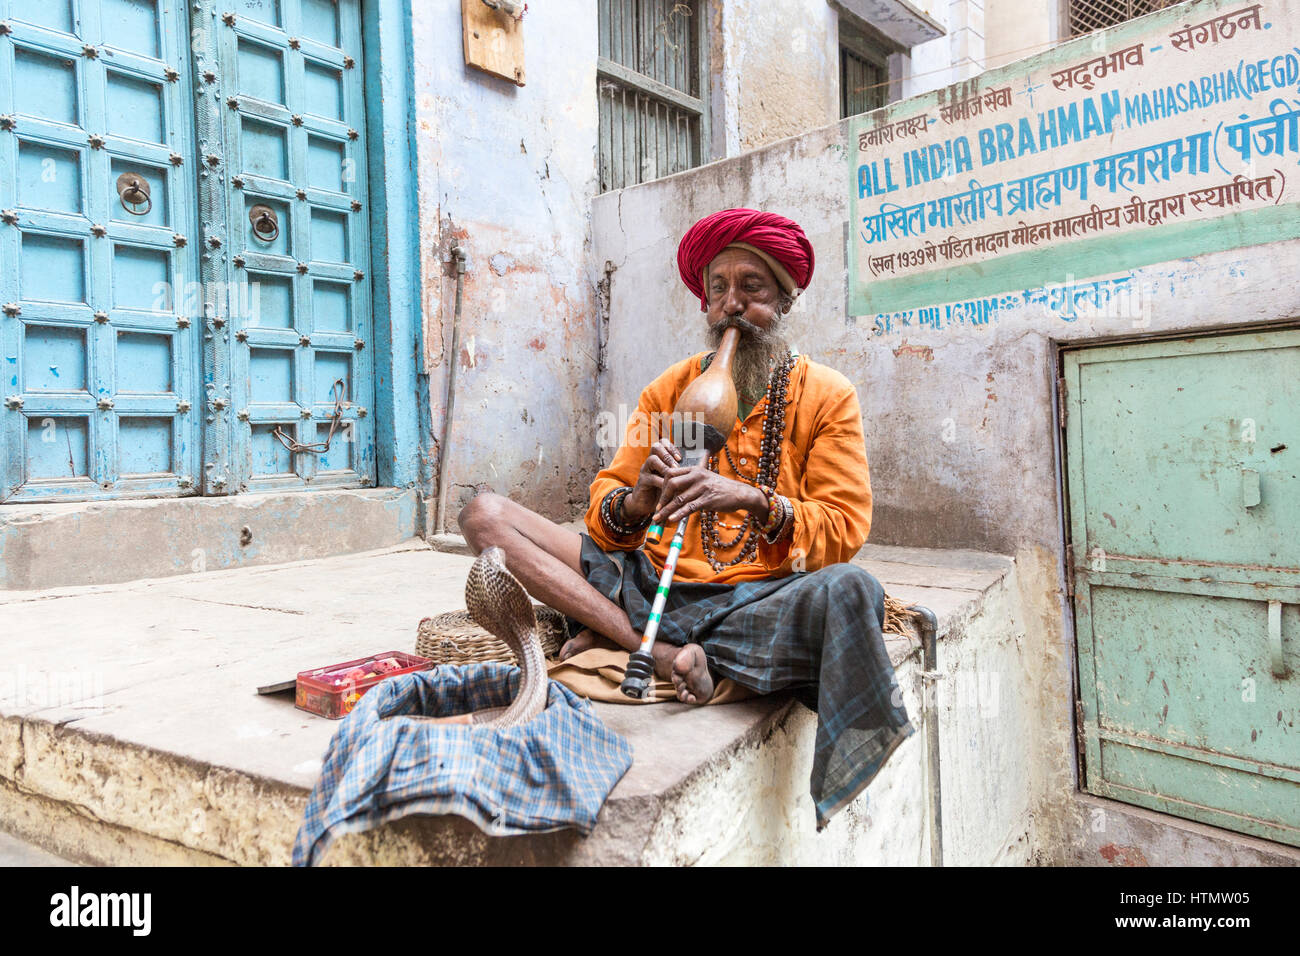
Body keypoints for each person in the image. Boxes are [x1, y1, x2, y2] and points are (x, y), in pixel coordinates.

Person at [459, 208, 912, 827]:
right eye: (717, 289)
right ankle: (666, 656)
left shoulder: (827, 395)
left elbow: (843, 528)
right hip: (648, 579)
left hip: (753, 600)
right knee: (486, 517)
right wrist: (639, 501)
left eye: (751, 289)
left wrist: (754, 500)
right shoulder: (669, 390)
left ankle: (639, 641)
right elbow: (603, 514)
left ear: (785, 299)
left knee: (852, 591)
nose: (731, 305)